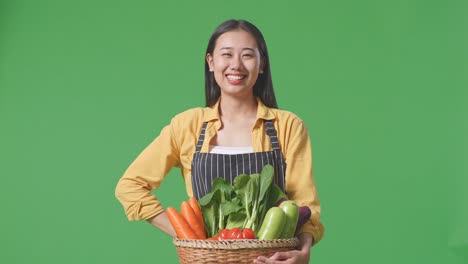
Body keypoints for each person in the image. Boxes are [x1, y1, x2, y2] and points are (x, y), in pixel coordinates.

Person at [115, 19, 325, 263]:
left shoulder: (287, 126)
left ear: (262, 64)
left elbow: (304, 204)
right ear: (211, 63)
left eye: (247, 55)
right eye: (227, 54)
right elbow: (130, 186)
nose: (236, 65)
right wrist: (191, 237)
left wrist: (303, 251)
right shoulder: (187, 125)